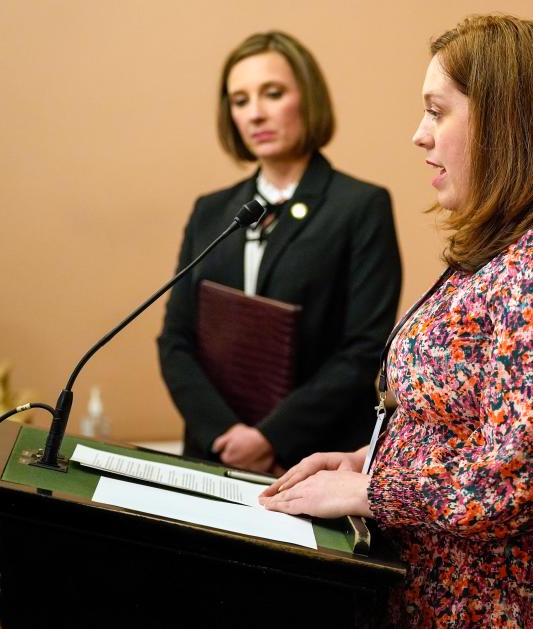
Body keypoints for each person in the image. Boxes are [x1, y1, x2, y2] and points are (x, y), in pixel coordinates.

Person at [261, 15, 533, 626]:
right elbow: (472, 424)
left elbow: (524, 477)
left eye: (437, 111)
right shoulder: (524, 239)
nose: (419, 136)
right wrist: (372, 460)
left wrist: (372, 491)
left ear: (504, 120)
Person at [158, 32, 402, 474]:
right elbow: (176, 340)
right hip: (214, 455)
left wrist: (270, 437)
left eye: (272, 93)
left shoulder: (361, 206)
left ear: (307, 98)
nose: (255, 113)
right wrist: (224, 434)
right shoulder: (210, 211)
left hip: (313, 460)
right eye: (239, 100)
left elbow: (364, 349)